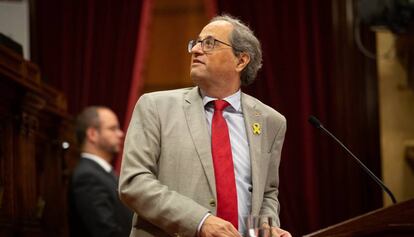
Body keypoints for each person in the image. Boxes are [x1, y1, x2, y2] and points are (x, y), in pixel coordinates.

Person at [119, 14, 291, 237]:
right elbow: (134, 182)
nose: (196, 50)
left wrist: (265, 230)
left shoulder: (271, 121)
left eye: (209, 43)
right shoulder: (155, 107)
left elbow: (267, 192)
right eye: (197, 42)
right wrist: (200, 222)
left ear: (241, 60)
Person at [69, 106, 132, 237]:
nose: (121, 134)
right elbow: (105, 231)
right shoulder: (87, 176)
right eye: (112, 128)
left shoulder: (102, 172)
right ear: (92, 134)